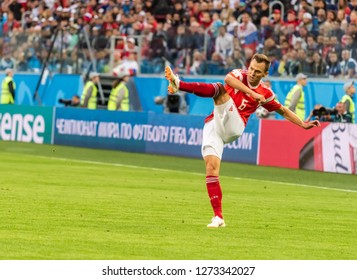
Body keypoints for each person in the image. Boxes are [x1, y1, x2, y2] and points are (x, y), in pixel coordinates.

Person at [165, 54, 320, 228]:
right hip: (214, 123)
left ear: (265, 74)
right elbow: (228, 79)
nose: (252, 73)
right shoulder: (240, 74)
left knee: (218, 90)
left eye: (258, 71)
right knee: (211, 168)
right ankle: (218, 217)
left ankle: (179, 84)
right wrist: (252, 93)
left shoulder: (266, 93)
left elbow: (283, 111)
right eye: (252, 68)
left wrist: (303, 124)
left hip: (235, 126)